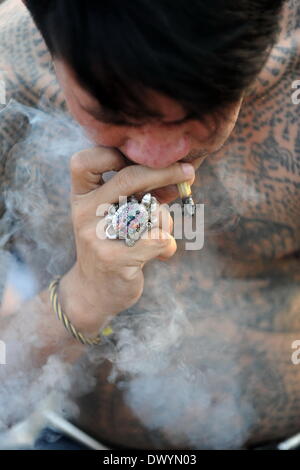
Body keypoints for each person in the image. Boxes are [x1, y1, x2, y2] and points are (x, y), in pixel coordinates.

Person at [1, 0, 300, 449]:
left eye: (200, 111)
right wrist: (83, 296)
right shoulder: (11, 84)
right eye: (112, 114)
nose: (157, 158)